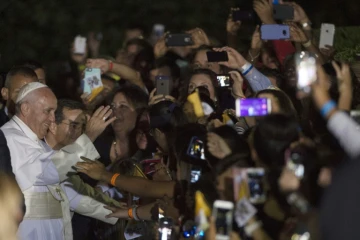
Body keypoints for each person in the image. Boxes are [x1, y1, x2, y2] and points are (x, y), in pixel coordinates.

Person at [1, 82, 116, 240]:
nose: (52, 119)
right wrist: (88, 137)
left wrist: (125, 213)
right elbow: (50, 171)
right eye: (48, 111)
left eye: (54, 112)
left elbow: (73, 195)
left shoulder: (37, 144)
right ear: (26, 108)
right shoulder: (10, 138)